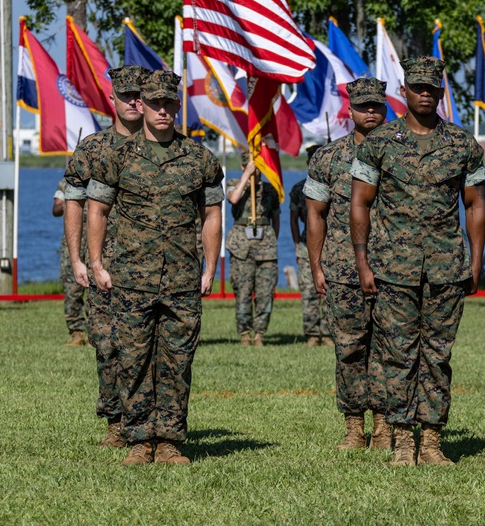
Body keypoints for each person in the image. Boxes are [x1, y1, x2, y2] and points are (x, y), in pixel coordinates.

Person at [350, 58, 485, 467]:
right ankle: (403, 442)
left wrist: (475, 264)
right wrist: (362, 262)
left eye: (432, 87)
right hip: (393, 268)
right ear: (404, 91)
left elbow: (475, 205)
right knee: (397, 354)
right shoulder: (380, 142)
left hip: (446, 268)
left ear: (441, 91)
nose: (425, 93)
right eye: (417, 87)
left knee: (438, 355)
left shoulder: (463, 145)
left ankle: (431, 442)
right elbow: (360, 203)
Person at [87, 70, 224, 466]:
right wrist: (97, 263)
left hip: (182, 279)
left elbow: (212, 215)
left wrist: (210, 267)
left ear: (178, 106)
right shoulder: (117, 155)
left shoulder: (200, 158)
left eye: (169, 103)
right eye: (155, 103)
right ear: (141, 106)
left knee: (177, 361)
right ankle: (137, 439)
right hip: (131, 277)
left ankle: (168, 441)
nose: (162, 110)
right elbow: (97, 210)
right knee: (132, 360)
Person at [305, 78, 389, 450]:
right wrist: (316, 265)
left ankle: (386, 426)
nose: (370, 112)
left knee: (390, 348)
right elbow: (315, 215)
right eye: (363, 106)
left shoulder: (399, 151)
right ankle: (354, 427)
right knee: (350, 348)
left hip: (392, 266)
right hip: (342, 268)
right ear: (350, 110)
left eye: (376, 106)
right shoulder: (327, 157)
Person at [63, 64, 146, 447]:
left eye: (139, 96)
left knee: (152, 347)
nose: (133, 102)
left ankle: (149, 424)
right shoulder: (93, 148)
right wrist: (79, 259)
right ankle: (115, 421)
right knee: (108, 343)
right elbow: (73, 203)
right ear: (112, 100)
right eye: (126, 96)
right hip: (105, 263)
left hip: (151, 264)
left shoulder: (163, 145)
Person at [227, 152, 280, 347]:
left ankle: (260, 333)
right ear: (243, 167)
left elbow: (276, 217)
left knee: (265, 293)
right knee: (243, 291)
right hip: (242, 247)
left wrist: (271, 239)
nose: (255, 171)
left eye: (258, 167)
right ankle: (244, 333)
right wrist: (245, 177)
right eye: (251, 167)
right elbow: (233, 199)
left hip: (266, 247)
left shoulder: (269, 189)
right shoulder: (235, 183)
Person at [289, 145, 333, 348]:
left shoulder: (335, 185)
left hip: (332, 247)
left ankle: (329, 333)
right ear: (308, 164)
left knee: (332, 292)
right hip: (308, 246)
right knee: (308, 291)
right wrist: (297, 244)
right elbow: (293, 219)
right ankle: (312, 333)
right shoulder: (299, 188)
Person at [54, 179, 87, 346]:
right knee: (71, 286)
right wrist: (68, 204)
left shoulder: (105, 178)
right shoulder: (67, 182)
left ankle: (99, 332)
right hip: (73, 243)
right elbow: (56, 209)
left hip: (101, 240)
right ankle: (77, 332)